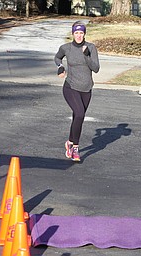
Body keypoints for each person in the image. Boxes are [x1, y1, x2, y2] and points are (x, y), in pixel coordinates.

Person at [54, 21, 100, 162]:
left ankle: (69, 142)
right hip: (71, 87)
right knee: (80, 114)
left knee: (77, 117)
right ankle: (75, 148)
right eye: (76, 33)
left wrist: (86, 55)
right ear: (72, 34)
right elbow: (57, 57)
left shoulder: (91, 47)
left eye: (81, 33)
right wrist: (61, 67)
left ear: (84, 34)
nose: (79, 35)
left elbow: (96, 68)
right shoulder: (66, 48)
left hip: (86, 88)